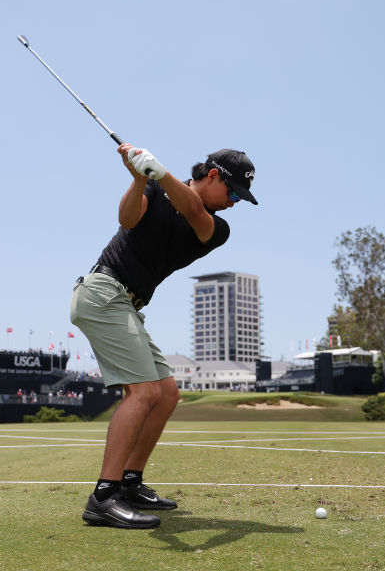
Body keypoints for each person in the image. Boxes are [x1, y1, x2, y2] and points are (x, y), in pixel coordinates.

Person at [70, 143, 257, 529]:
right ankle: (104, 497)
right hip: (103, 292)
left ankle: (129, 482)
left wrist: (157, 170)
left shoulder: (217, 227)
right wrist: (140, 177)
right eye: (233, 192)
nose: (234, 202)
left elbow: (192, 210)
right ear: (213, 176)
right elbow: (126, 219)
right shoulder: (154, 189)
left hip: (128, 305)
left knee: (167, 393)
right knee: (145, 392)